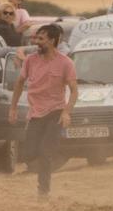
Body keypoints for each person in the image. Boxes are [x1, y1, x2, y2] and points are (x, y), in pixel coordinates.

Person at [8, 23, 78, 199]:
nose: (37, 42)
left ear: (53, 41)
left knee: (45, 152)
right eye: (36, 38)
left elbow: (74, 90)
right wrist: (13, 108)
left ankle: (43, 191)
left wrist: (66, 112)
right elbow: (19, 83)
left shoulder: (66, 63)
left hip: (55, 113)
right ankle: (39, 166)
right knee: (30, 153)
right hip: (35, 113)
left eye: (41, 39)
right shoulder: (31, 60)